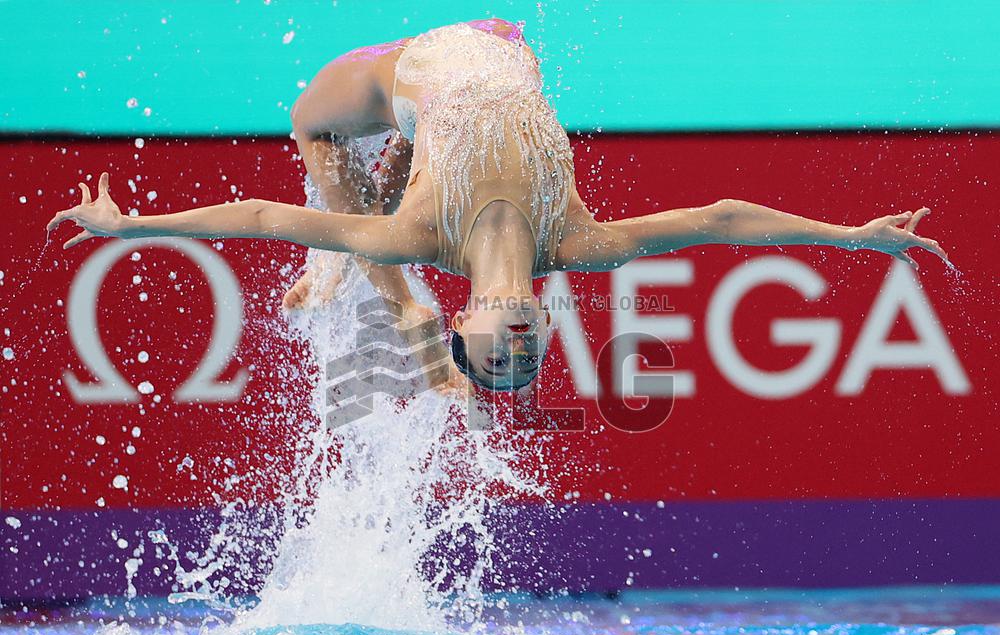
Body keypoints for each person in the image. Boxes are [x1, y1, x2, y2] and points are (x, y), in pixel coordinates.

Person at [48, 19, 947, 392]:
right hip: (500, 43)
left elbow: (256, 216)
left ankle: (392, 297)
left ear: (468, 326)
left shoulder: (420, 233)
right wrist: (852, 238)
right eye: (530, 359)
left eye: (496, 360)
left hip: (396, 74)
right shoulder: (582, 242)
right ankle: (383, 250)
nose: (516, 350)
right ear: (542, 331)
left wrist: (130, 228)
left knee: (312, 133)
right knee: (375, 187)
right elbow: (720, 220)